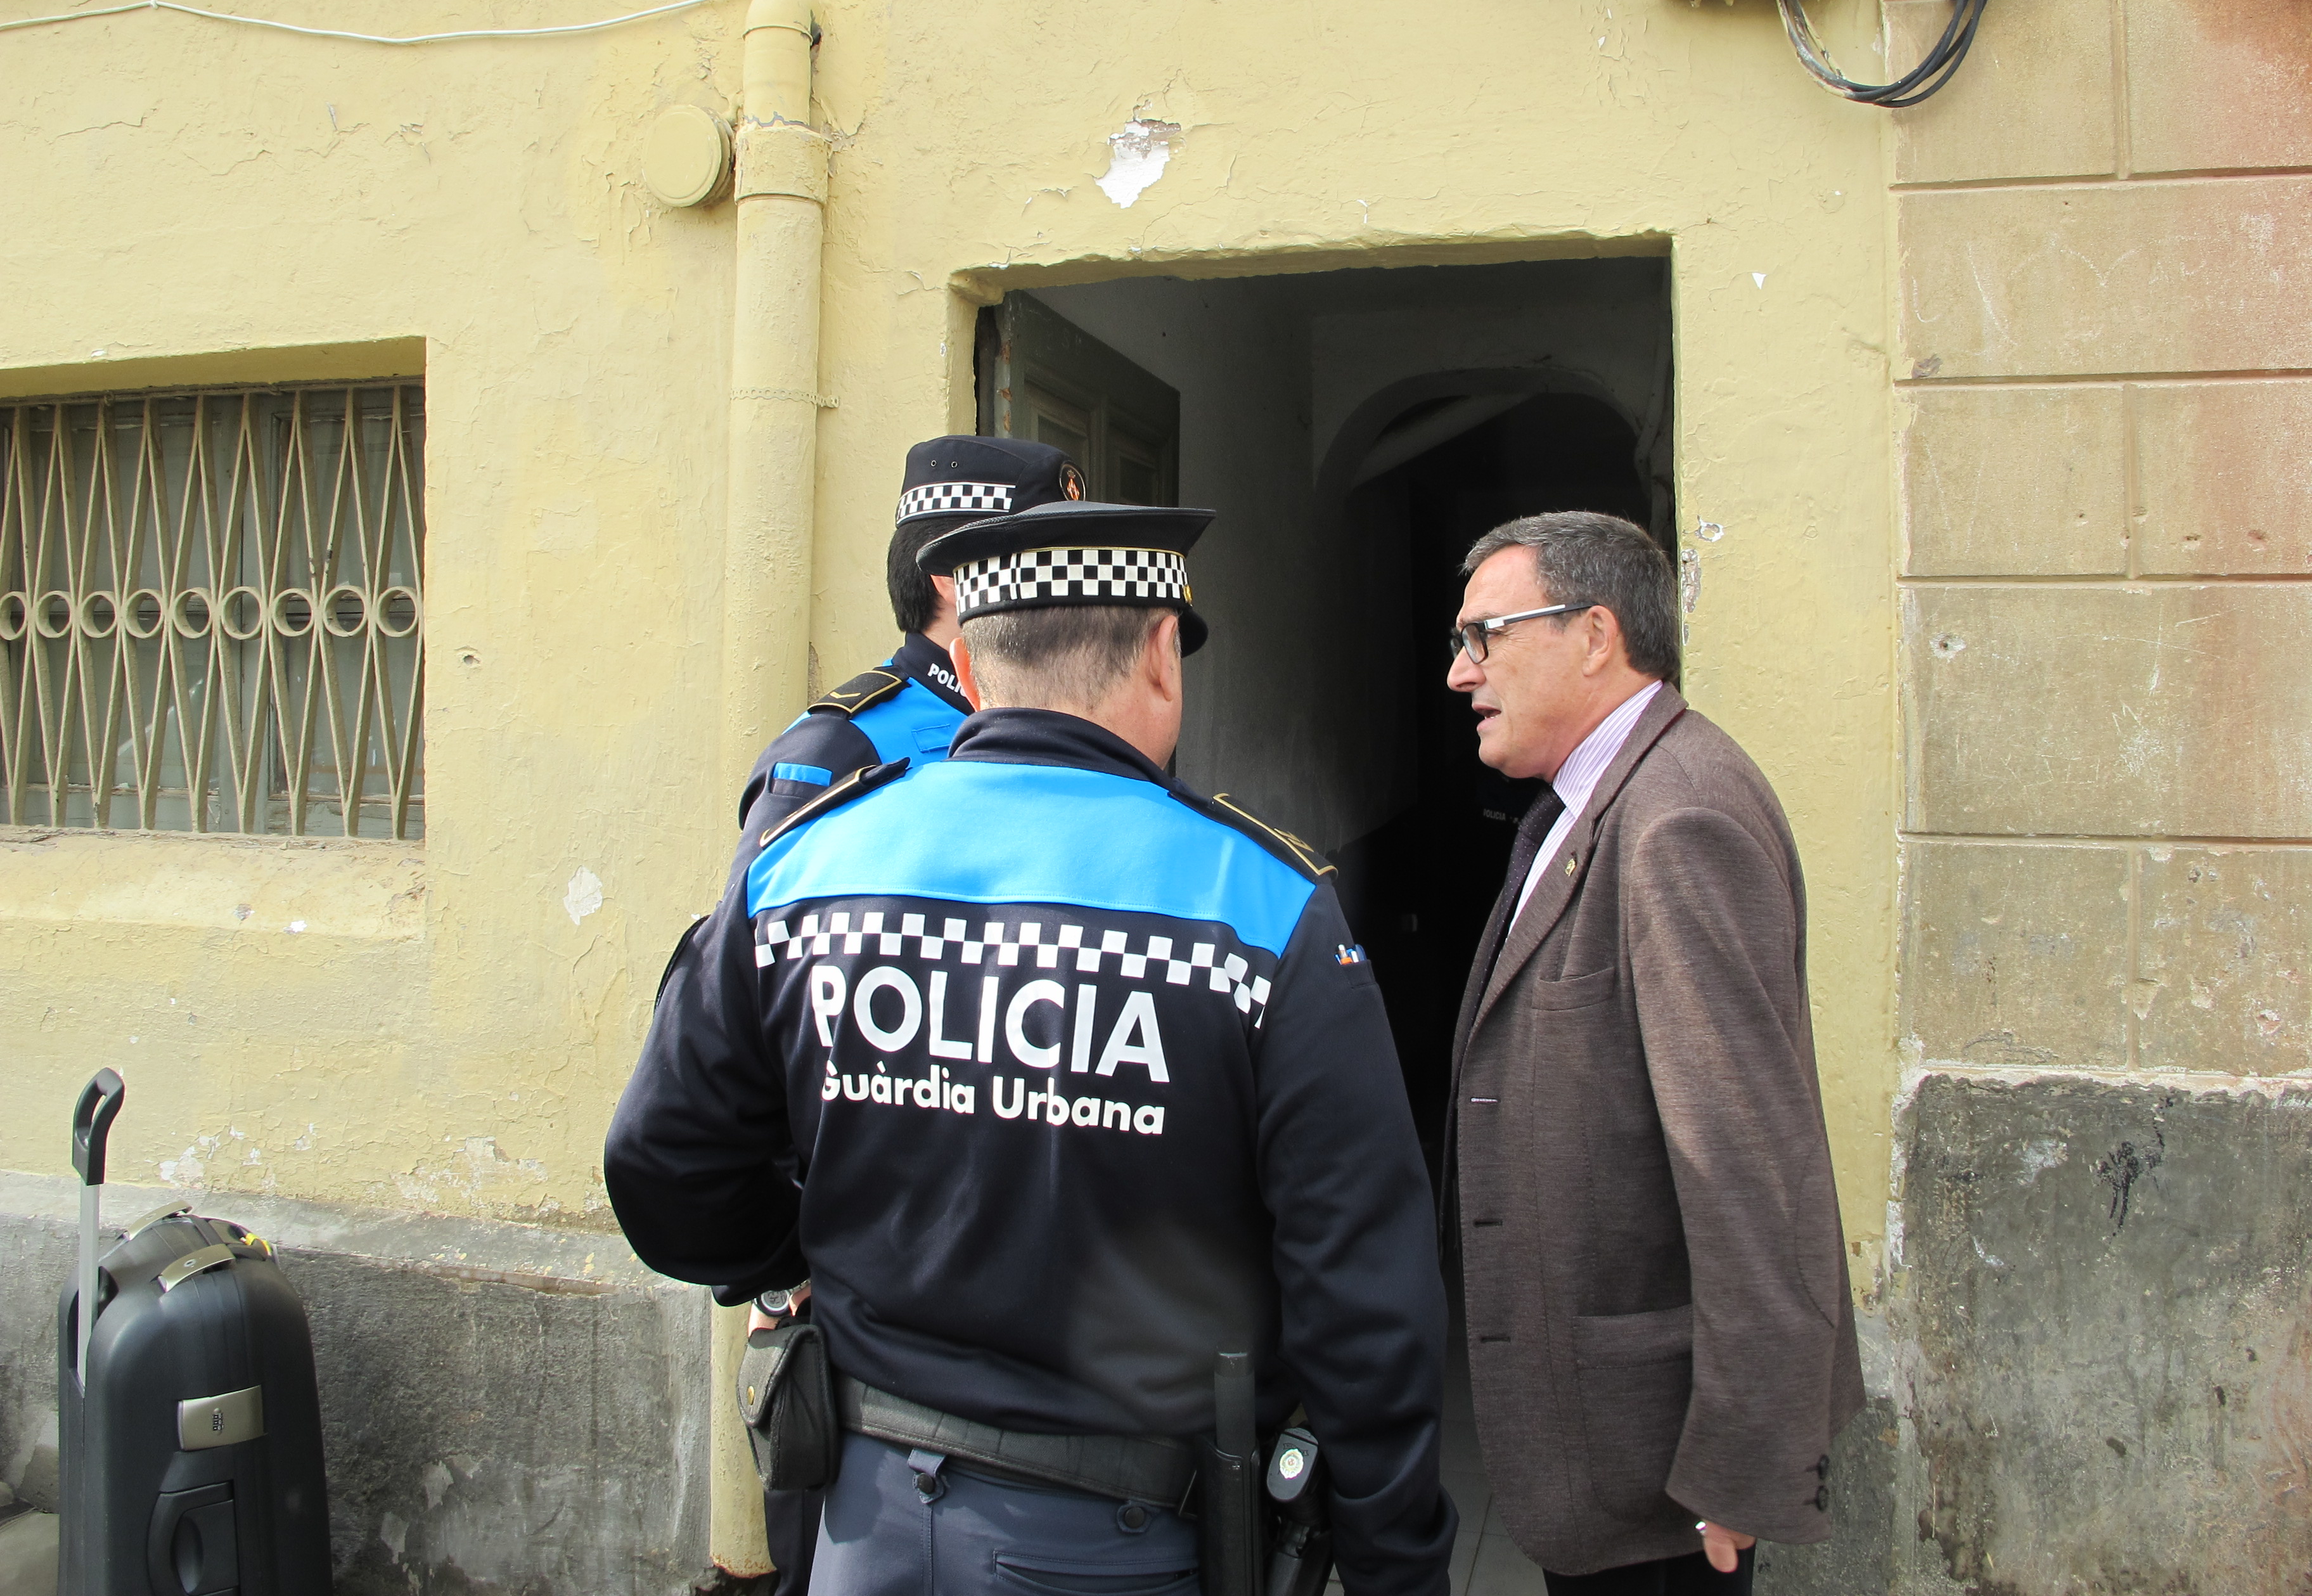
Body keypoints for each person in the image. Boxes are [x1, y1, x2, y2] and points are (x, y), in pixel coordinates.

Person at [607, 498, 1457, 1596]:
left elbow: (663, 1167)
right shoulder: (1261, 907)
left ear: (966, 663)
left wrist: (807, 1254)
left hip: (859, 1523)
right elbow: (1363, 1294)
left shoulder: (802, 869)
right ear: (1162, 653)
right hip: (1128, 1543)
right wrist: (1398, 1566)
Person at [1441, 511, 1862, 1595]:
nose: (1459, 672)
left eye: (1484, 636)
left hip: (1662, 1477)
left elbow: (1747, 1163)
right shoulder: (1594, 801)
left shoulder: (1678, 818)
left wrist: (1745, 1458)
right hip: (1610, 1456)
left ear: (1595, 635)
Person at [722, 433, 1084, 1593]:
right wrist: (787, 1262)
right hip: (869, 1314)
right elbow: (747, 1035)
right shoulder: (844, 750)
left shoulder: (1072, 742)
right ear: (952, 579)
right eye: (1043, 549)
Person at [735, 434, 1087, 848]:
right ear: (953, 578)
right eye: (1045, 563)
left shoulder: (1076, 721)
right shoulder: (836, 749)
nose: (1077, 585)